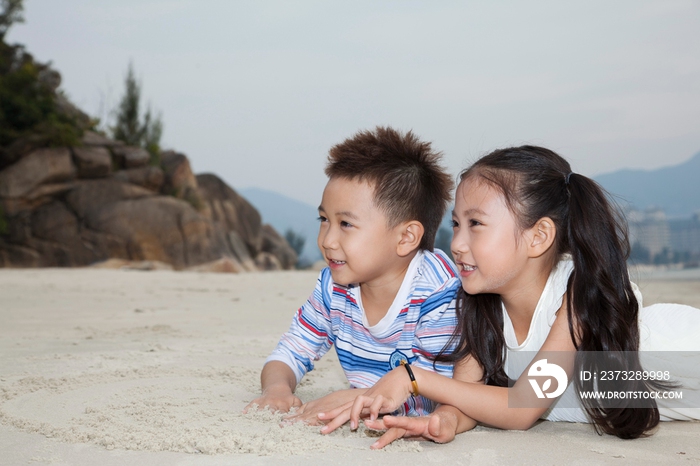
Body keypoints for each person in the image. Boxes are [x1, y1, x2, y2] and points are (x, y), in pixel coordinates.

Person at [318, 145, 700, 448]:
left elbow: (523, 408)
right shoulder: (480, 305)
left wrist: (413, 378)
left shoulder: (577, 299)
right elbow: (469, 395)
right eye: (455, 224)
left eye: (476, 225)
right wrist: (445, 420)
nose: (458, 243)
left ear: (538, 237)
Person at [244, 126, 462, 423]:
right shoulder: (334, 286)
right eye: (323, 219)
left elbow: (438, 393)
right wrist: (277, 388)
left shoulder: (438, 292)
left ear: (406, 237)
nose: (327, 240)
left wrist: (358, 398)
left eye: (346, 224)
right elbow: (292, 350)